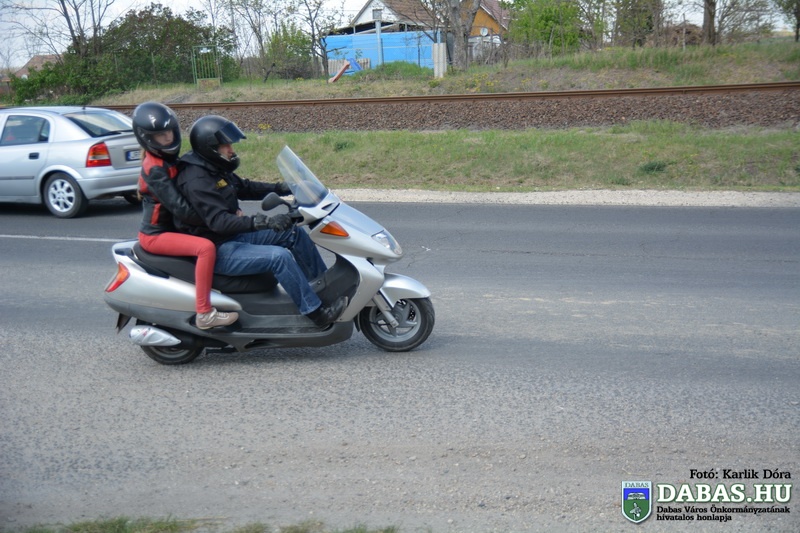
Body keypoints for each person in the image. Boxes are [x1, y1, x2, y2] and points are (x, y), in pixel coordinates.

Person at [174, 115, 346, 327]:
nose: (231, 150)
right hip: (219, 249)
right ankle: (315, 313)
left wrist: (283, 187)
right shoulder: (196, 179)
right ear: (210, 147)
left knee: (294, 232)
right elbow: (219, 222)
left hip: (232, 237)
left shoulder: (212, 167)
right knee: (279, 257)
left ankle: (322, 288)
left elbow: (244, 187)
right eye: (226, 146)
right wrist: (263, 222)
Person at [133, 102, 239, 330]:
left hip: (171, 228)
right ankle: (204, 314)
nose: (168, 138)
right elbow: (181, 209)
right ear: (147, 138)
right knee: (205, 248)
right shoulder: (155, 169)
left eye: (169, 133)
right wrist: (219, 219)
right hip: (156, 235)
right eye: (160, 136)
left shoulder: (167, 159)